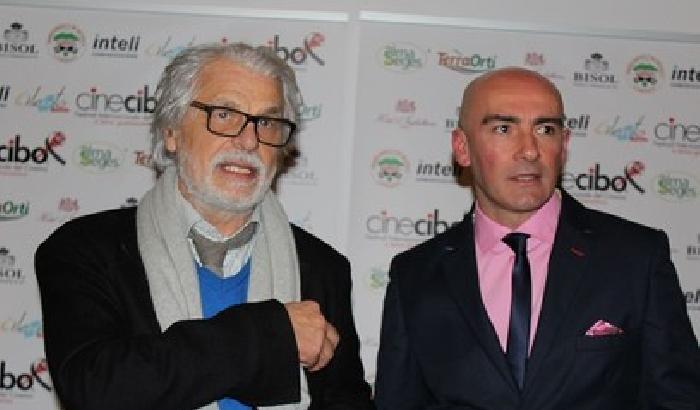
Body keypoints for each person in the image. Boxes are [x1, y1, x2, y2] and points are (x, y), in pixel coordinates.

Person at [35, 43, 373, 410]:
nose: (249, 140)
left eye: (266, 123)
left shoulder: (322, 268)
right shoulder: (86, 250)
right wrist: (272, 334)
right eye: (225, 115)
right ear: (172, 131)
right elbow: (97, 387)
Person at [374, 67, 700, 409]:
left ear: (564, 145)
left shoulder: (635, 258)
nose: (529, 150)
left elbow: (680, 399)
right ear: (462, 148)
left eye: (545, 129)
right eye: (504, 129)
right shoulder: (416, 275)